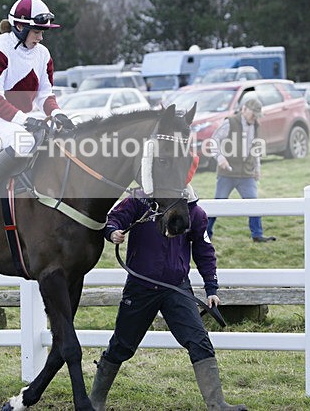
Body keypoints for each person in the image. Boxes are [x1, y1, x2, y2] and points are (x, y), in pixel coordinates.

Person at [88, 185, 247, 411]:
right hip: (140, 288)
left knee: (199, 341)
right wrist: (112, 231)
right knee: (121, 346)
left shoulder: (195, 212)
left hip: (176, 288)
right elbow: (114, 218)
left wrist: (211, 287)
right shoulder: (139, 200)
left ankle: (217, 404)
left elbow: (204, 250)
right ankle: (95, 402)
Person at [0, 0, 75, 217]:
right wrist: (27, 121)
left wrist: (58, 114)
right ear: (20, 27)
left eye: (43, 32)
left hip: (21, 118)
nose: (41, 37)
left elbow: (46, 95)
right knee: (24, 141)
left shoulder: (43, 54)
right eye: (37, 32)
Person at [206, 95, 275, 243]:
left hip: (247, 174)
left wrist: (257, 168)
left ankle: (257, 235)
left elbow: (255, 147)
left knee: (253, 204)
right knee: (218, 204)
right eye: (253, 114)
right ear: (244, 109)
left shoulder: (256, 125)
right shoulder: (229, 123)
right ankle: (205, 235)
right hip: (227, 173)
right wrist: (220, 157)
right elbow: (213, 141)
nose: (255, 118)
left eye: (257, 115)